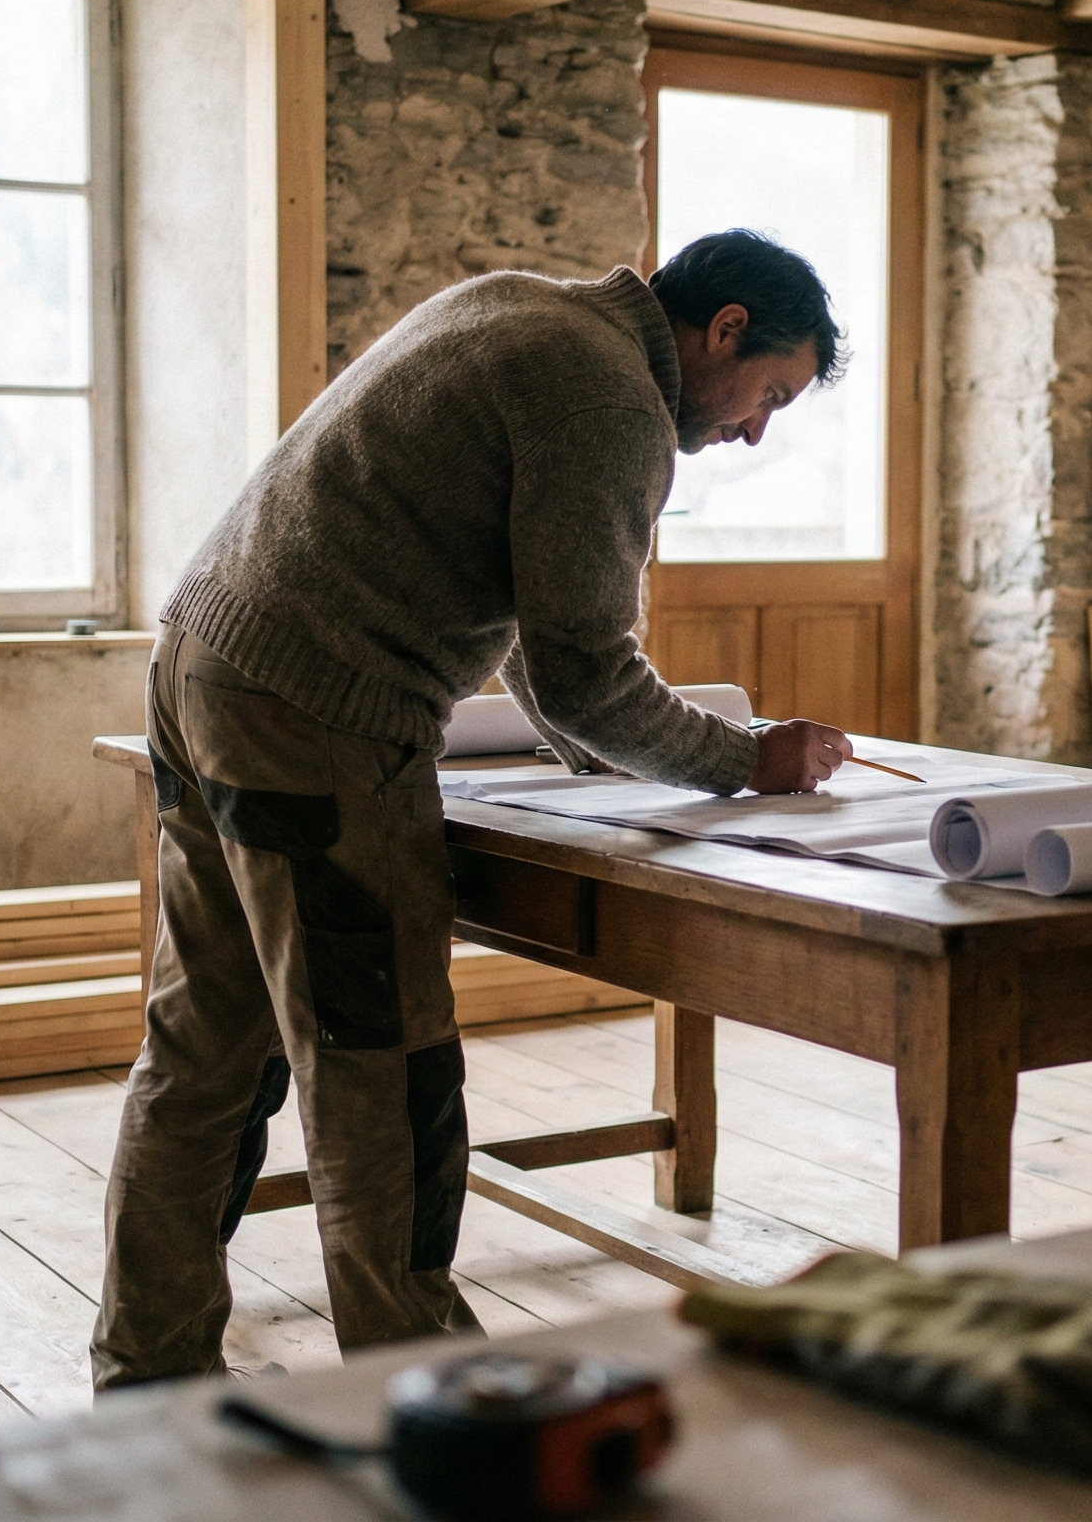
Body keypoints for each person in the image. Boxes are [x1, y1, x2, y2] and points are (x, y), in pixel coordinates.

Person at [93, 231, 857, 1389]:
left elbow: (530, 638)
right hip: (315, 712)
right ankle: (431, 1402)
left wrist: (604, 761)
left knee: (204, 1051)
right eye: (770, 395)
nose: (755, 428)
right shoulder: (608, 398)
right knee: (380, 1076)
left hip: (206, 658)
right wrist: (749, 761)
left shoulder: (531, 310)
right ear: (726, 331)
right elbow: (581, 670)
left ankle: (144, 1384)